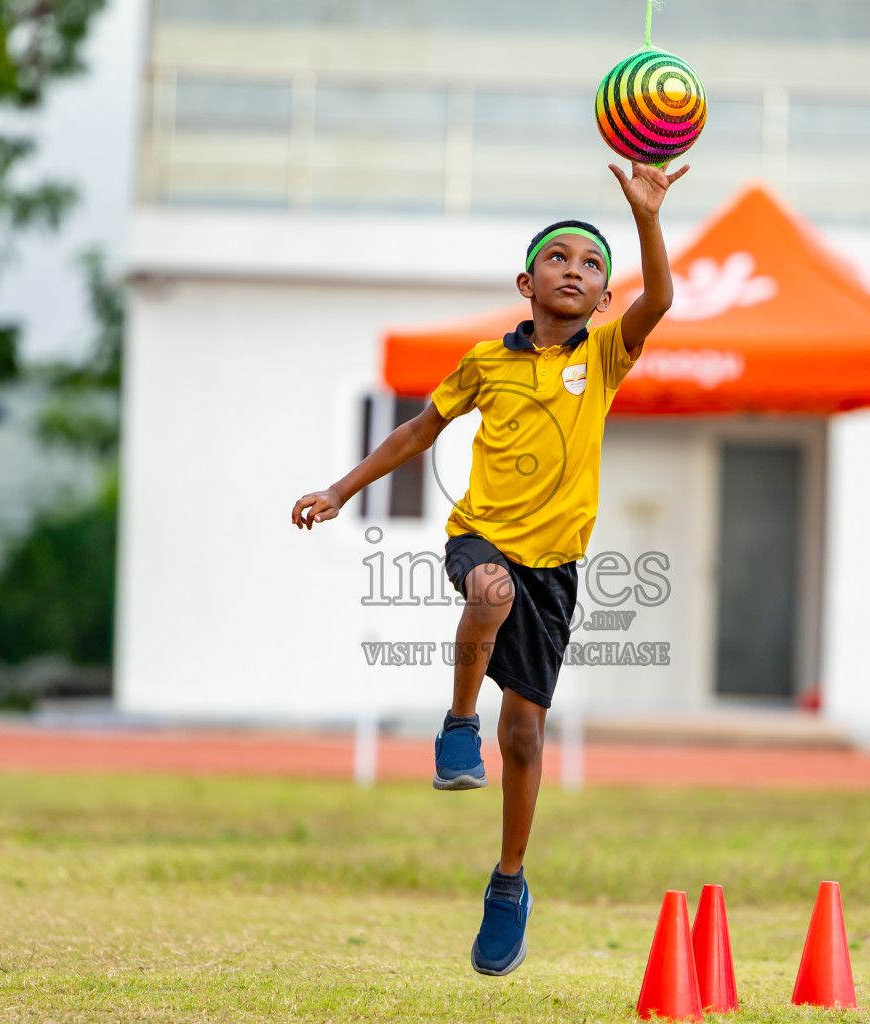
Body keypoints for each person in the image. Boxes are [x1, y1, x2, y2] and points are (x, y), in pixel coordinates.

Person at [290, 159, 687, 976]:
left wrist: (647, 215)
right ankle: (457, 722)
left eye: (590, 267)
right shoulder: (486, 362)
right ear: (526, 280)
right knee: (488, 588)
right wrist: (339, 489)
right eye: (559, 259)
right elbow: (414, 435)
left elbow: (662, 302)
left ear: (604, 299)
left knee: (530, 736)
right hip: (480, 539)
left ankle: (508, 882)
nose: (574, 271)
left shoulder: (607, 356)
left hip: (557, 569)